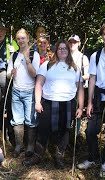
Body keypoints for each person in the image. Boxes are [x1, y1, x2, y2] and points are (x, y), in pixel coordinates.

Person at [23, 39, 84, 168]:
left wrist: (81, 107)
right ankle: (38, 155)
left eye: (65, 48)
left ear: (68, 50)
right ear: (56, 50)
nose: (62, 50)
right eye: (60, 48)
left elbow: (80, 88)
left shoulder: (75, 68)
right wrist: (38, 102)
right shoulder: (47, 65)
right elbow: (39, 84)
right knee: (43, 130)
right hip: (48, 103)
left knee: (64, 131)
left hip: (67, 104)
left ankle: (59, 156)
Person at [77, 21, 105, 178]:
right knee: (90, 130)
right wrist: (89, 102)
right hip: (98, 98)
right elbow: (93, 80)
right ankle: (94, 158)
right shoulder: (96, 55)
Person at [6, 28, 40, 158]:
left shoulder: (33, 54)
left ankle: (30, 146)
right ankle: (19, 145)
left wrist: (27, 60)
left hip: (29, 92)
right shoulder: (14, 55)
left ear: (28, 38)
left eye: (23, 38)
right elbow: (9, 75)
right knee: (17, 120)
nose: (21, 40)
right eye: (18, 38)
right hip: (16, 91)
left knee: (31, 120)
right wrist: (11, 73)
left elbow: (34, 74)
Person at [0, 22, 19, 144]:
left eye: (1, 30)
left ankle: (10, 134)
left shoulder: (12, 43)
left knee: (9, 104)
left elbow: (19, 57)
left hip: (7, 75)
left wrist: (13, 51)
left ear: (5, 32)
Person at [68, 34, 90, 138]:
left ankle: (76, 138)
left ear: (79, 43)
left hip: (79, 90)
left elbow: (88, 75)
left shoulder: (83, 57)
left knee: (77, 114)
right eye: (71, 42)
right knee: (67, 114)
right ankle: (67, 137)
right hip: (67, 90)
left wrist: (78, 77)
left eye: (75, 42)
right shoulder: (65, 56)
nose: (72, 44)